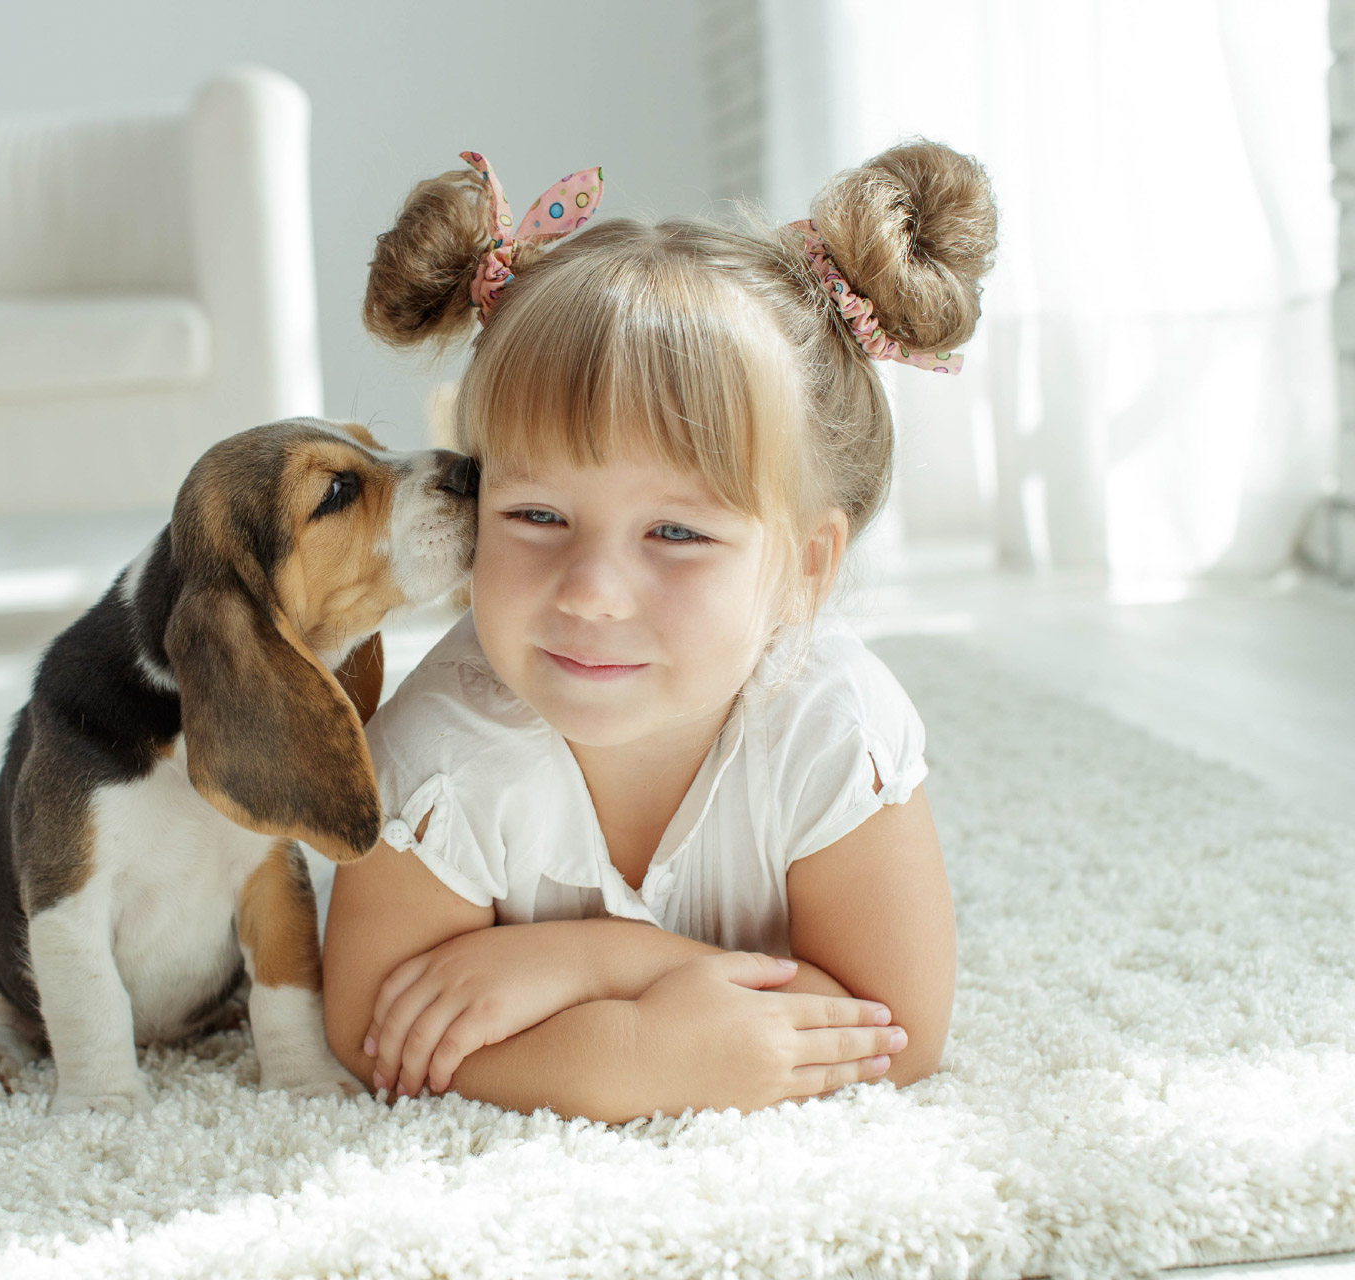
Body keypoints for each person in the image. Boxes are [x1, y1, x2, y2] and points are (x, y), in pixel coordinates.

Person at [321, 142, 998, 1124]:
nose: (591, 591)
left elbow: (894, 1026)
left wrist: (597, 976)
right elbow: (373, 1027)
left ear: (804, 566)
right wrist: (626, 1056)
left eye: (676, 532)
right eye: (537, 516)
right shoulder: (442, 757)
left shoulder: (832, 725)